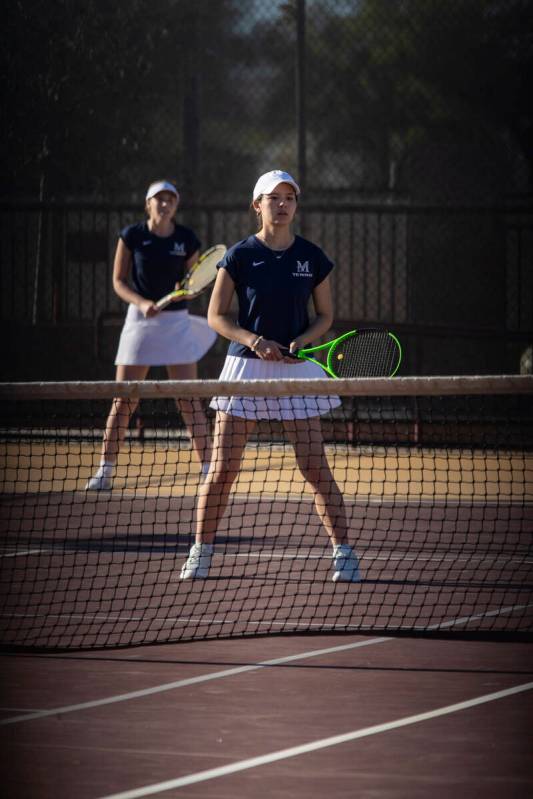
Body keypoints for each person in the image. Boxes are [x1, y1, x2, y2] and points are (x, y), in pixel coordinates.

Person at [179, 169, 360, 582]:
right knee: (223, 469)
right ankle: (200, 552)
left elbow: (326, 316)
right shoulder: (239, 256)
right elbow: (216, 316)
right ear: (256, 205)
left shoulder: (312, 257)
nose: (281, 205)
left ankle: (344, 553)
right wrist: (254, 339)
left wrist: (303, 340)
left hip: (296, 372)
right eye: (272, 198)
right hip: (245, 368)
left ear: (295, 205)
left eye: (289, 198)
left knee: (315, 467)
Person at [85, 179, 215, 490]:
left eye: (170, 198)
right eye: (159, 198)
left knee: (188, 399)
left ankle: (209, 468)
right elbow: (119, 281)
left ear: (176, 205)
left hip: (176, 324)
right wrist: (142, 303)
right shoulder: (132, 236)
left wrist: (183, 294)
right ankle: (104, 471)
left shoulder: (187, 238)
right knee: (124, 399)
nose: (165, 203)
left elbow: (193, 283)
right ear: (148, 204)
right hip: (140, 323)